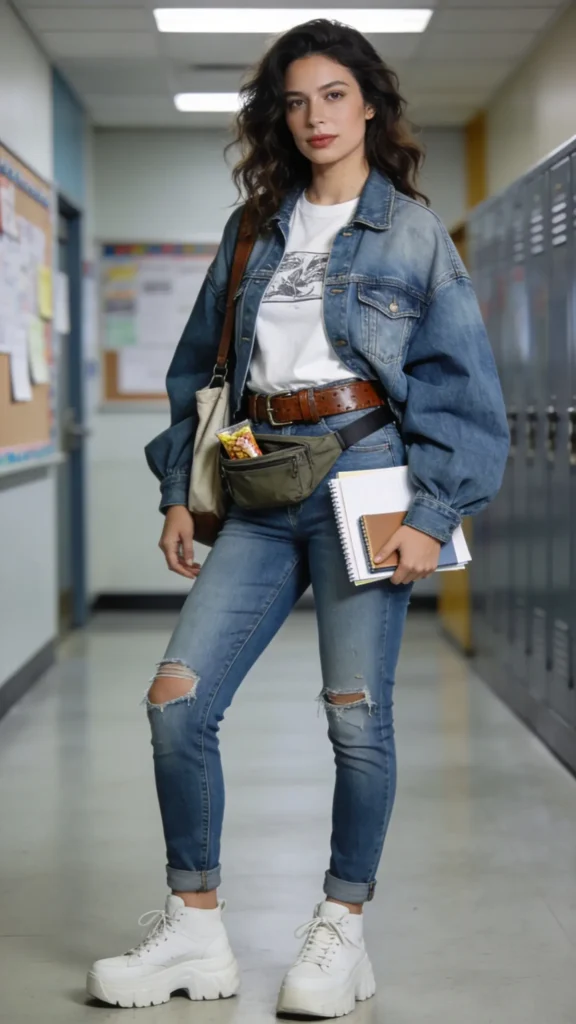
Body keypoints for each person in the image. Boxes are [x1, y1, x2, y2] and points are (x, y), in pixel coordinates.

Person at [86, 18, 509, 1017]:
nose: (314, 116)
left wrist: (431, 507)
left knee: (355, 719)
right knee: (176, 700)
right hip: (257, 478)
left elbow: (465, 392)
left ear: (369, 104)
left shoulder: (407, 231)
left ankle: (342, 928)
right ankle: (195, 926)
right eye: (295, 100)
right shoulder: (253, 230)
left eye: (333, 95)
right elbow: (202, 370)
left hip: (368, 474)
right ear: (280, 117)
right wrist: (178, 495)